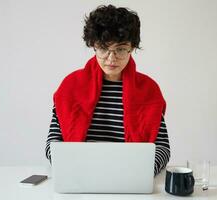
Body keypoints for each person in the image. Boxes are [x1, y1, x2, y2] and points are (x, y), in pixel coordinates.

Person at [45, 4, 170, 175]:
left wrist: (141, 172)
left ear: (131, 48)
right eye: (104, 48)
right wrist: (69, 168)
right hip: (79, 176)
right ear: (93, 46)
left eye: (120, 49)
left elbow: (162, 147)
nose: (111, 58)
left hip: (131, 177)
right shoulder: (70, 87)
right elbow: (53, 142)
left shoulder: (149, 90)